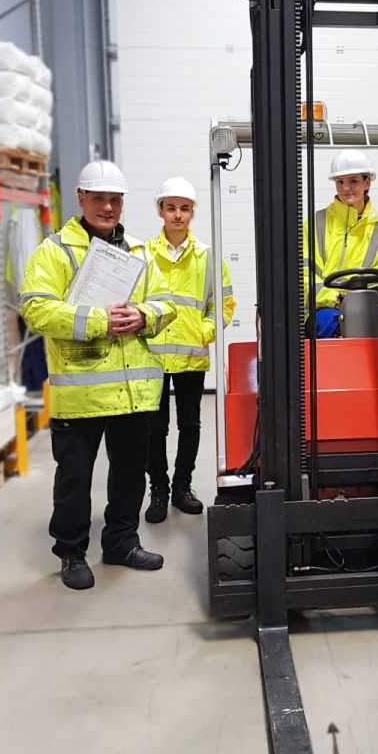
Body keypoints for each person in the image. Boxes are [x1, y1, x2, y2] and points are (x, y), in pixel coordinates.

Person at [20, 160, 178, 590]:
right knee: (75, 478)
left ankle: (121, 543)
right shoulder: (55, 251)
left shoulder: (142, 252)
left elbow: (167, 302)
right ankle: (71, 551)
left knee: (128, 473)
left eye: (115, 199)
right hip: (82, 394)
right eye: (99, 198)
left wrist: (143, 314)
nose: (108, 207)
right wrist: (98, 320)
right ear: (81, 199)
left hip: (134, 392)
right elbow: (35, 307)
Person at [143, 176, 236, 524]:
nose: (177, 215)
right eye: (171, 208)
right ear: (160, 212)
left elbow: (224, 303)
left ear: (192, 212)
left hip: (191, 356)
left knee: (190, 424)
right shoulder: (143, 255)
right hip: (151, 355)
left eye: (184, 208)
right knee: (155, 428)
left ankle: (182, 487)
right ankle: (159, 490)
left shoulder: (209, 256)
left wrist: (204, 331)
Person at [305, 148, 378, 337]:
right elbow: (305, 276)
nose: (345, 188)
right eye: (340, 182)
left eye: (353, 181)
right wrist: (336, 299)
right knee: (331, 323)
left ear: (367, 182)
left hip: (370, 308)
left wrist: (365, 303)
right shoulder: (316, 224)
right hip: (326, 308)